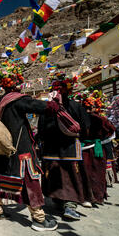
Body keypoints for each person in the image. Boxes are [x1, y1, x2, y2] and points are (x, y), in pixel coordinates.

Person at [0, 62, 59, 232]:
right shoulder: (18, 100)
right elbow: (44, 107)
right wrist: (54, 102)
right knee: (30, 183)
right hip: (20, 151)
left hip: (0, 152)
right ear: (17, 82)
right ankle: (39, 219)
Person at [38, 74, 90, 220]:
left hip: (50, 150)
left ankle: (58, 201)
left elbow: (41, 130)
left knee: (54, 175)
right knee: (71, 176)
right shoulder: (76, 106)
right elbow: (85, 128)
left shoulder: (47, 108)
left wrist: (41, 143)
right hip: (71, 148)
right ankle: (70, 206)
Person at [72, 90, 116, 206]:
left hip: (87, 149)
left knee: (88, 173)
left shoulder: (80, 119)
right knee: (94, 173)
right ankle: (95, 196)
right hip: (95, 148)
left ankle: (89, 197)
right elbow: (111, 132)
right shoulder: (101, 119)